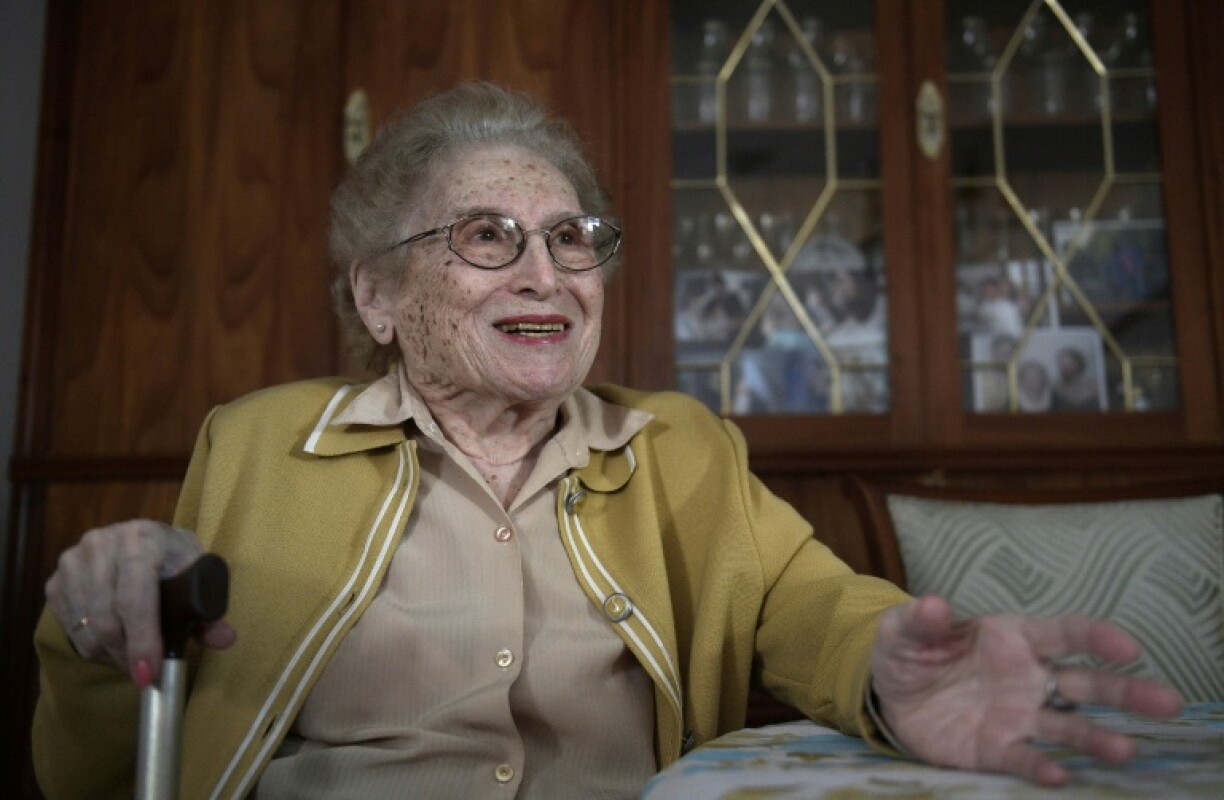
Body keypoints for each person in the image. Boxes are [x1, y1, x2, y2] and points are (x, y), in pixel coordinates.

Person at [33, 83, 1180, 799]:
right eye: (488, 237)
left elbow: (803, 596)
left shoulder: (677, 445)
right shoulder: (260, 442)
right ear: (377, 294)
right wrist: (97, 617)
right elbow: (111, 736)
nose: (546, 271)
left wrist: (887, 663)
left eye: (572, 239)